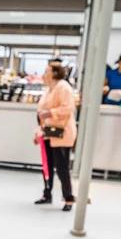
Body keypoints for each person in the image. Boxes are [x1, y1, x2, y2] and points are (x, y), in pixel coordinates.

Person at [34, 61, 78, 211]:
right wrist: (38, 131)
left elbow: (68, 108)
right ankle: (47, 194)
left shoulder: (63, 87)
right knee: (47, 166)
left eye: (46, 71)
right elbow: (41, 113)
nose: (44, 74)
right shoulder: (49, 90)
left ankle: (68, 198)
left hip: (62, 133)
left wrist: (50, 112)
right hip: (48, 133)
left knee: (61, 168)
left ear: (54, 73)